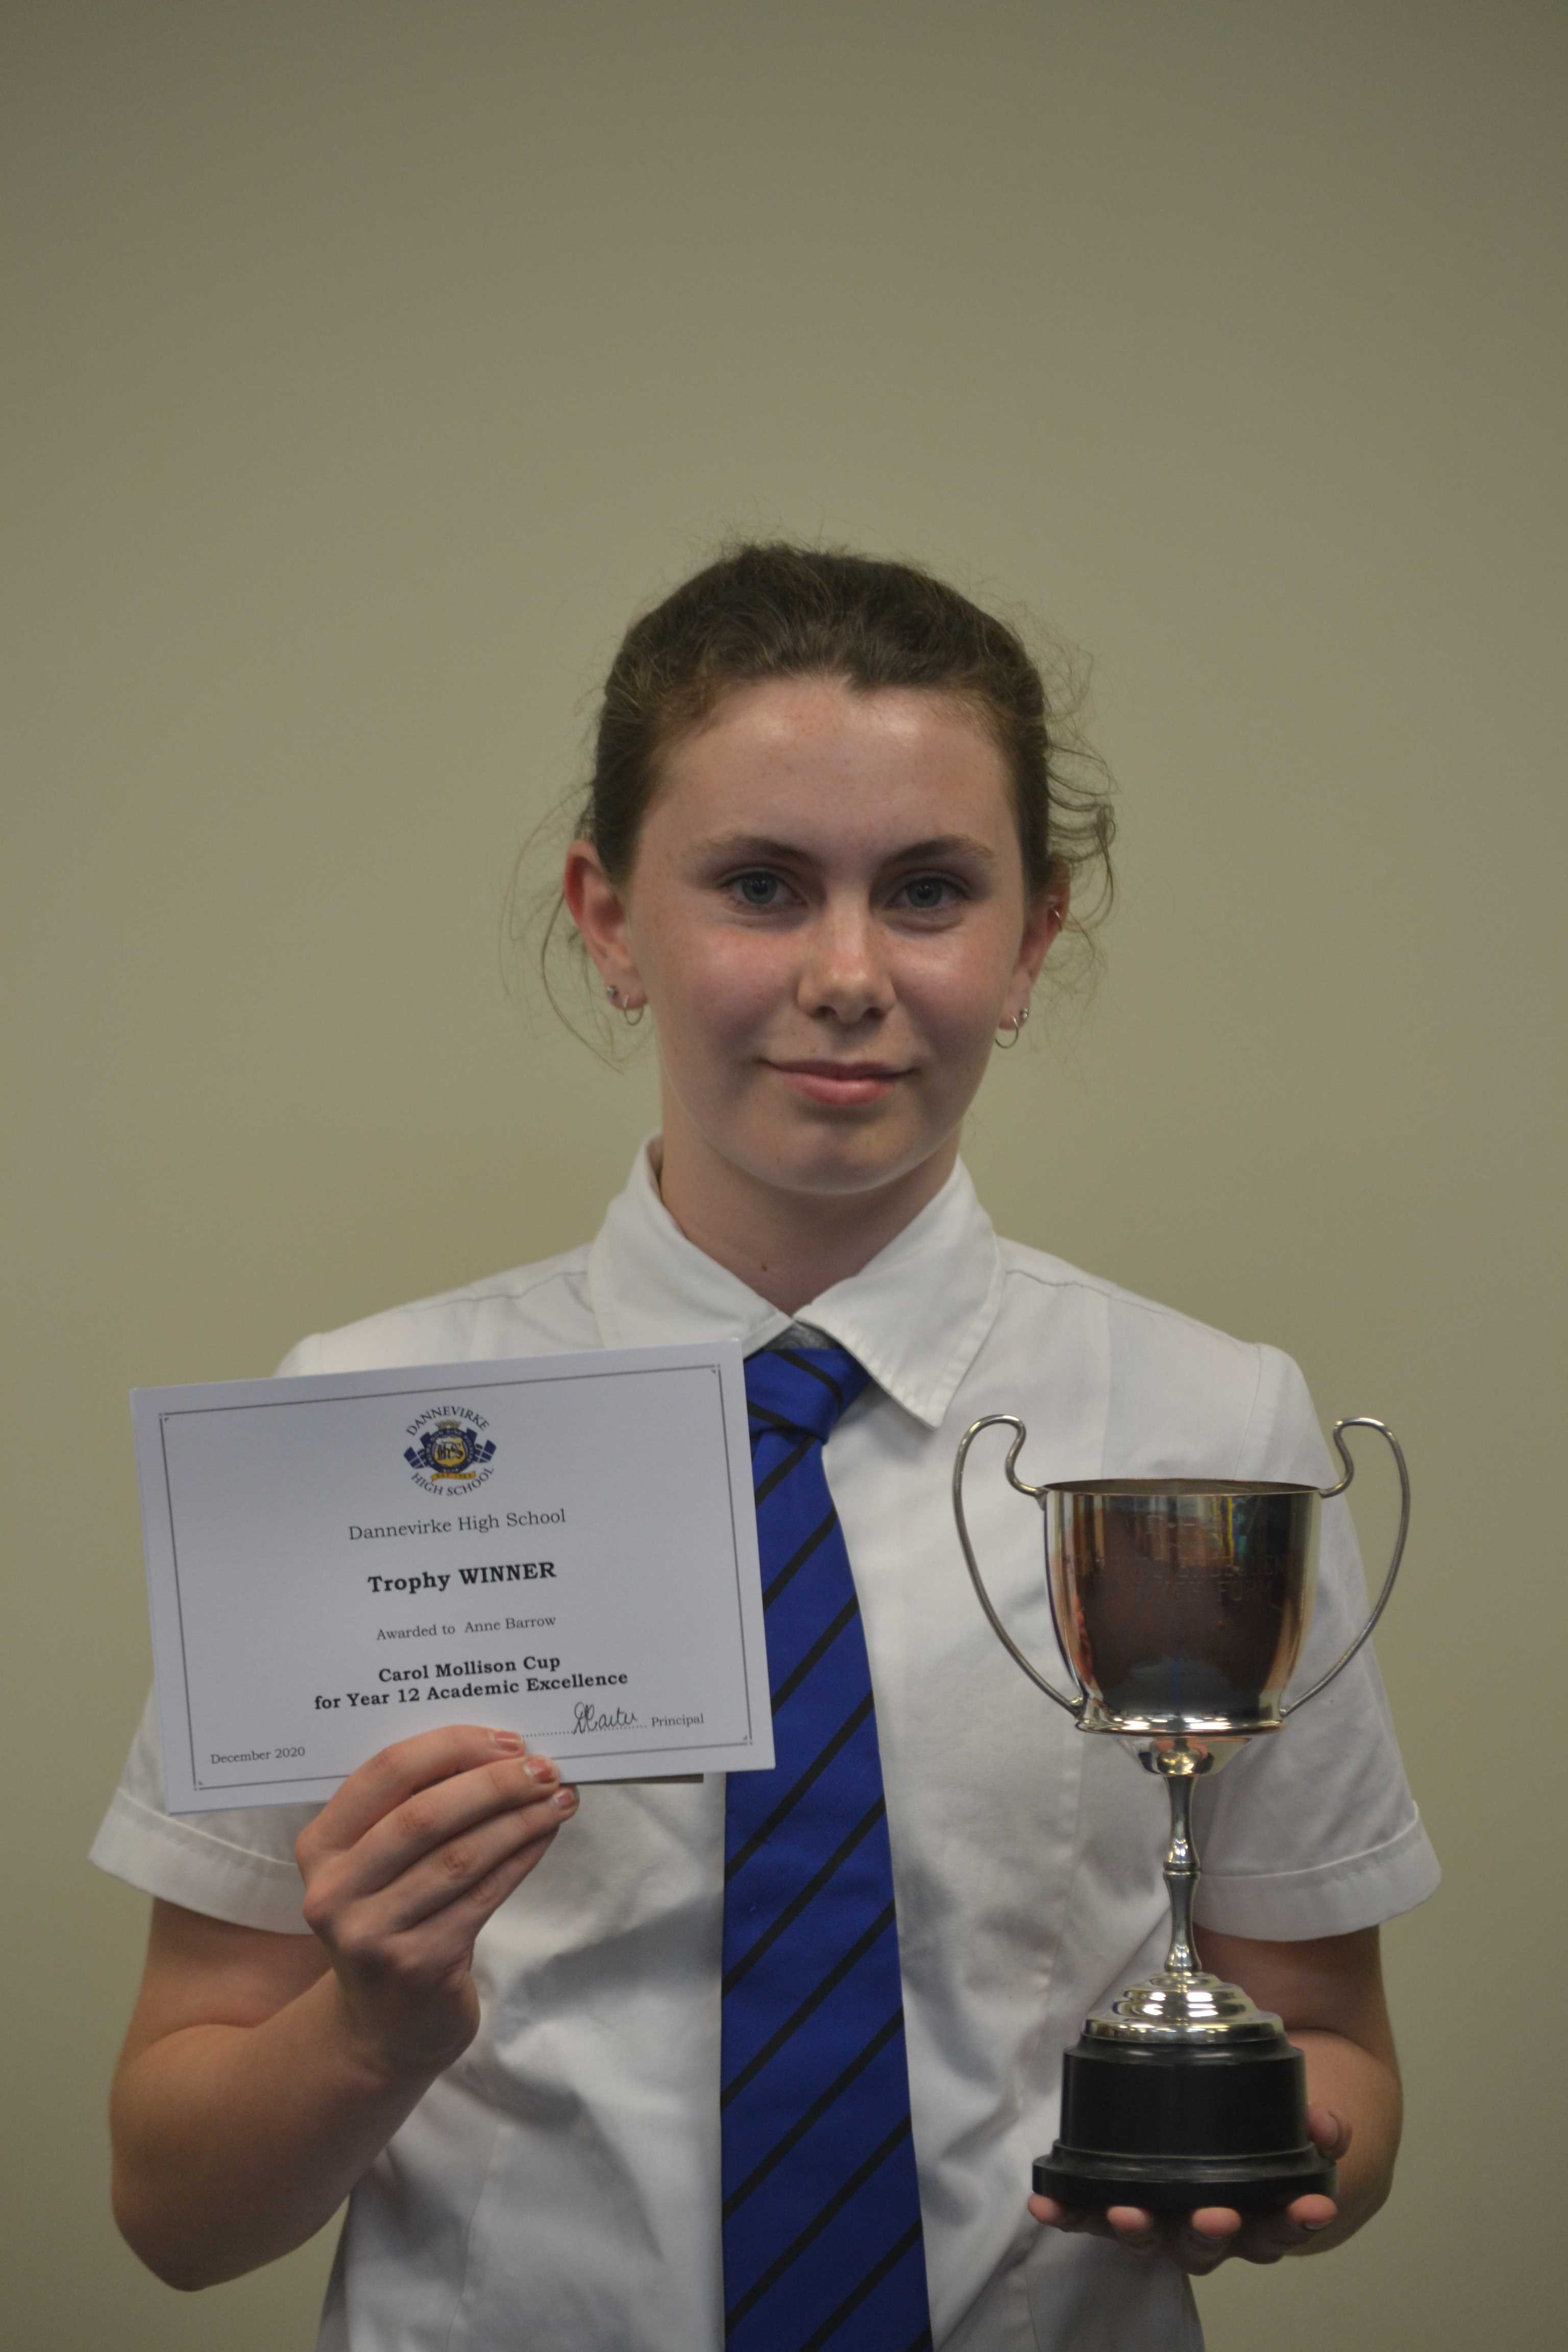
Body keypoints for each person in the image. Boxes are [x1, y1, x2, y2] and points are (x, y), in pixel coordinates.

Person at [94, 544, 1438, 2351]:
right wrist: (373, 2027)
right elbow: (174, 2212)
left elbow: (1336, 2047)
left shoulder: (1208, 1429)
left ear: (1034, 937)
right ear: (607, 919)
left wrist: (1278, 2158)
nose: (848, 973)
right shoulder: (353, 1425)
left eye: (931, 891)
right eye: (759, 886)